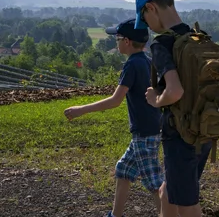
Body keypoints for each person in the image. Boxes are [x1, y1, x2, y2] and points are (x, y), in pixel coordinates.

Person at [133, 0, 219, 217]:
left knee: (188, 206)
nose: (147, 26)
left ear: (151, 8)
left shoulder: (162, 44)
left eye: (144, 18)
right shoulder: (199, 38)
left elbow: (174, 92)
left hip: (179, 135)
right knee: (168, 192)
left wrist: (155, 99)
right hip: (204, 130)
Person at [63, 18, 164, 217]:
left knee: (154, 184)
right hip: (150, 128)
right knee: (123, 169)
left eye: (117, 38)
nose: (115, 42)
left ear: (126, 41)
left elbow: (115, 100)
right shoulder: (147, 61)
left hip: (145, 132)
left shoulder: (132, 65)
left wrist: (81, 109)